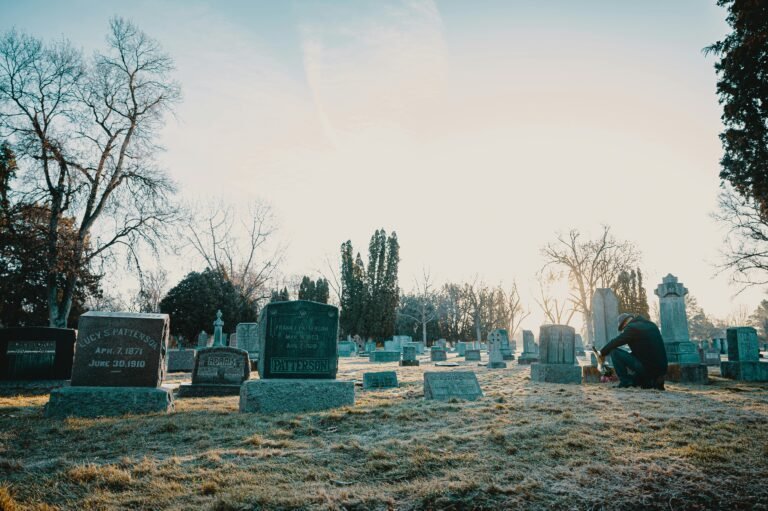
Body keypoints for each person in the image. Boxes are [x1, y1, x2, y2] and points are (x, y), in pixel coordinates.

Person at [598, 313, 668, 390]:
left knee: (614, 352)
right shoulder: (651, 325)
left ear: (625, 323)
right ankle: (652, 382)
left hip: (647, 369)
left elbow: (616, 342)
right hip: (660, 372)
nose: (624, 330)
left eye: (623, 328)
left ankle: (625, 381)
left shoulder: (632, 328)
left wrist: (601, 353)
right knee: (635, 381)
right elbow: (647, 350)